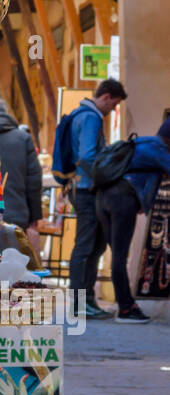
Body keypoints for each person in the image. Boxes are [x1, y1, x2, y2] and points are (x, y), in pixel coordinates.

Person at [96, 117, 170, 323]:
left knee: (115, 255)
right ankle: (126, 309)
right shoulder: (159, 150)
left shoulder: (142, 143)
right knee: (120, 256)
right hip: (122, 199)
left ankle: (125, 304)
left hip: (103, 197)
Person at [67, 77, 127, 319]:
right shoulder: (91, 117)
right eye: (113, 106)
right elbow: (87, 156)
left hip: (81, 187)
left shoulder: (79, 114)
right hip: (87, 189)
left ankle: (86, 300)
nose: (111, 111)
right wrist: (106, 178)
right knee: (86, 246)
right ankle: (81, 302)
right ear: (106, 97)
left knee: (94, 245)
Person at [0, 98, 43, 232]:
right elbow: (34, 181)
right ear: (6, 112)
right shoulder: (23, 139)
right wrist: (34, 216)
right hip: (16, 215)